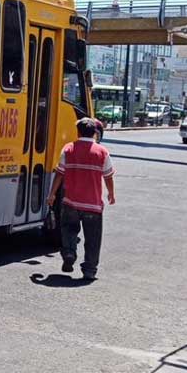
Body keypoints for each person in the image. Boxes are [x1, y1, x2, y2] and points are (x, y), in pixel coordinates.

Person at [47, 117, 115, 280]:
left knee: (69, 230)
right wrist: (111, 193)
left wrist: (52, 194)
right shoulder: (102, 152)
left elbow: (59, 173)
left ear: (78, 132)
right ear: (94, 133)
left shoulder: (69, 148)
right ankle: (89, 270)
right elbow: (108, 176)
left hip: (71, 201)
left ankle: (69, 253)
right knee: (93, 239)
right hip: (92, 205)